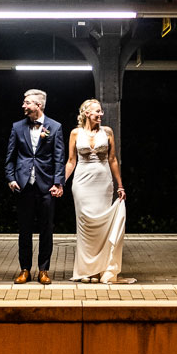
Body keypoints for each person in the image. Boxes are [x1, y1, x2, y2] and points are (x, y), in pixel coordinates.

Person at [64, 98, 132, 284]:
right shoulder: (75, 133)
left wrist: (120, 185)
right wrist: (60, 182)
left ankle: (99, 270)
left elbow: (113, 160)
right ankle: (85, 270)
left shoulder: (107, 132)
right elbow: (71, 161)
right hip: (82, 182)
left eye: (101, 111)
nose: (101, 114)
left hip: (103, 183)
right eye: (97, 112)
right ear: (87, 113)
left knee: (102, 226)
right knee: (85, 225)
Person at [4, 88, 65, 284]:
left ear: (38, 105)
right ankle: (24, 269)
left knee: (46, 230)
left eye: (27, 102)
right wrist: (11, 178)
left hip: (46, 186)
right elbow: (10, 157)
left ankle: (43, 270)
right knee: (24, 230)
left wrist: (58, 182)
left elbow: (59, 157)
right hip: (24, 186)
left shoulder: (54, 127)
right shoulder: (17, 127)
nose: (23, 105)